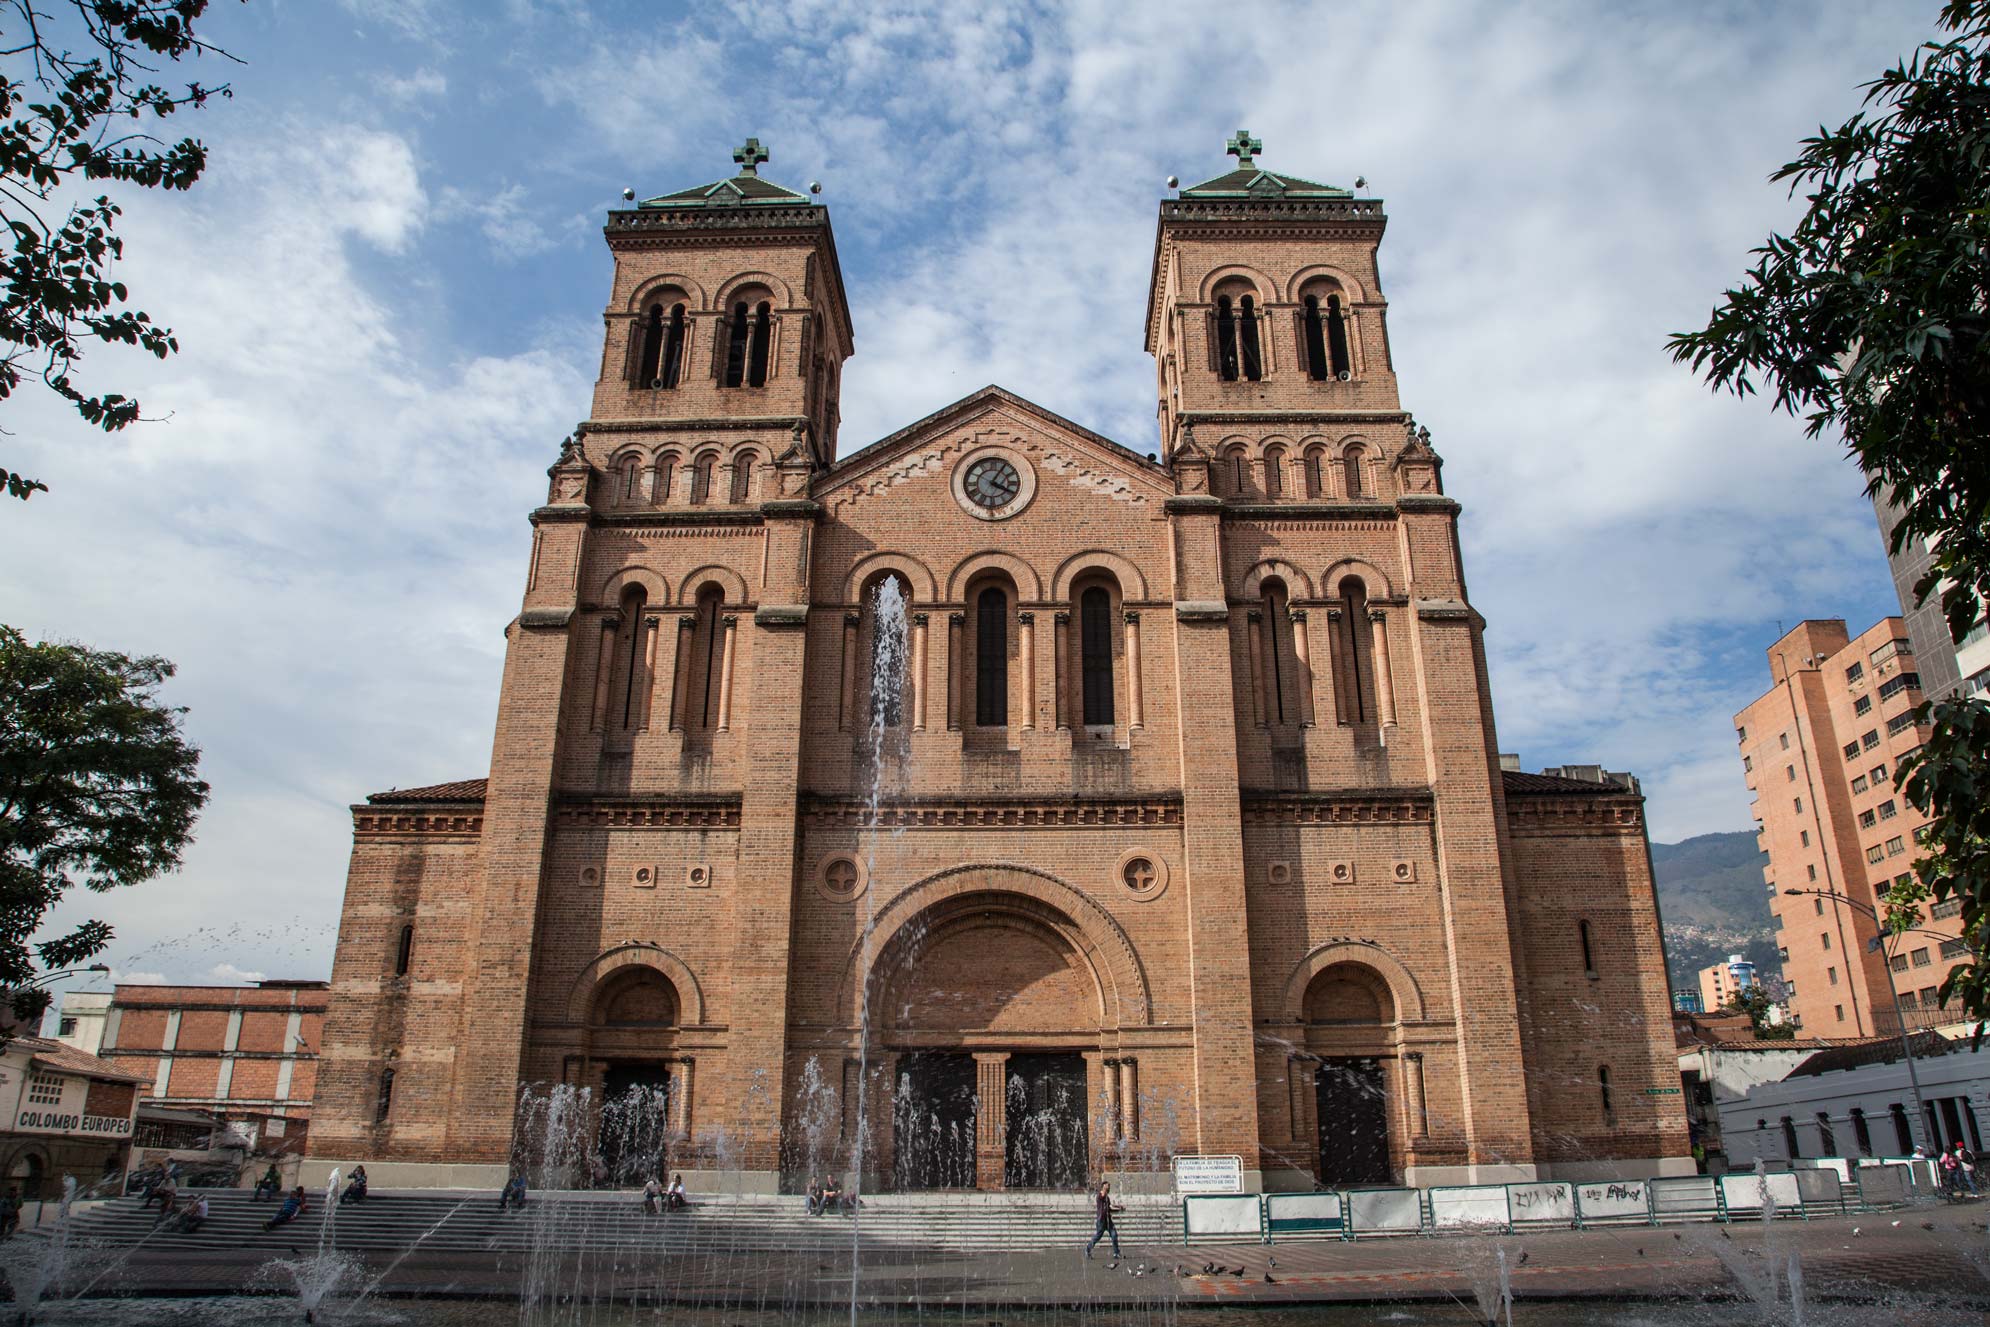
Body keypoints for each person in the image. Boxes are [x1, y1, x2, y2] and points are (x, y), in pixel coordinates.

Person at [1085, 1180, 1122, 1260]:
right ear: (1103, 1186)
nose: (1109, 1187)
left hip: (1108, 1220)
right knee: (1097, 1237)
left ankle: (1116, 1253)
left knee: (1114, 1235)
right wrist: (1103, 1190)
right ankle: (1088, 1249)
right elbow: (1102, 1196)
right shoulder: (1100, 1196)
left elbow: (1109, 1209)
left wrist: (1119, 1209)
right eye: (1107, 1186)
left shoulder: (1107, 1198)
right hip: (1101, 1220)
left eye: (1109, 1186)